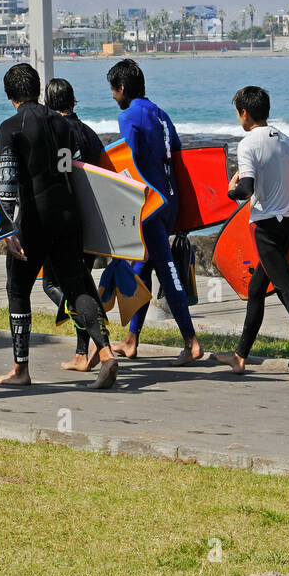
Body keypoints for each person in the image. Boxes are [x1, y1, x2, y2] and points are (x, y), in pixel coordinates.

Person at [0, 63, 119, 389]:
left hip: (35, 219)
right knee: (77, 285)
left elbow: (8, 182)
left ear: (10, 95)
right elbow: (74, 168)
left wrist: (10, 229)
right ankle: (105, 354)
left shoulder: (11, 127)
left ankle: (21, 368)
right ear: (36, 89)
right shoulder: (63, 125)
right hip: (68, 216)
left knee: (18, 289)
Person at [215, 87, 289, 383]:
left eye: (238, 112)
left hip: (265, 228)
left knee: (286, 290)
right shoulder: (287, 141)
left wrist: (231, 189)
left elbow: (247, 189)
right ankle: (240, 357)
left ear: (244, 113)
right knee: (256, 290)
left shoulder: (248, 144)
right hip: (288, 223)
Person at [106, 59, 203, 366]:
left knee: (166, 270)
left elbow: (129, 162)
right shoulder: (162, 116)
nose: (112, 97)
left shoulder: (129, 117)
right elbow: (177, 158)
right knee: (143, 270)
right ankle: (132, 340)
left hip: (146, 205)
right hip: (169, 203)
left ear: (122, 89)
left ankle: (192, 342)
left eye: (113, 90)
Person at [39, 77, 111, 373]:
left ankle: (93, 336)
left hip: (64, 222)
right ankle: (83, 351)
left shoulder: (56, 132)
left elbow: (56, 176)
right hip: (91, 224)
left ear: (49, 104)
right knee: (79, 282)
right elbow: (109, 174)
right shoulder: (89, 133)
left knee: (55, 284)